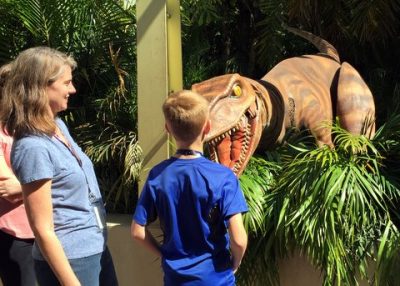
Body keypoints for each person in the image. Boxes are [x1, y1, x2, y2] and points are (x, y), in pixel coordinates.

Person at [0, 47, 118, 286]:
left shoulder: (58, 127)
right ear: (42, 87)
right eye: (67, 83)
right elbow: (42, 229)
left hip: (94, 246)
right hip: (72, 258)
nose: (72, 90)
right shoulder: (32, 146)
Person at [131, 90, 248, 285]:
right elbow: (239, 240)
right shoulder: (223, 178)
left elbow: (137, 231)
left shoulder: (157, 176)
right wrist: (235, 263)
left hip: (176, 279)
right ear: (208, 127)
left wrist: (165, 255)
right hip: (217, 279)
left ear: (167, 128)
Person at [0, 63, 37, 286]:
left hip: (47, 231)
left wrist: (23, 186)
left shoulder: (38, 129)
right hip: (15, 234)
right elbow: (7, 188)